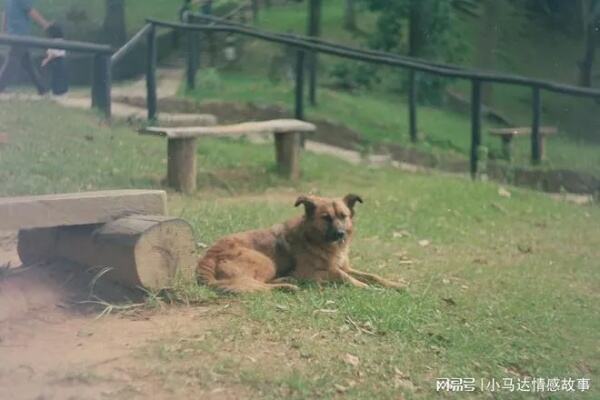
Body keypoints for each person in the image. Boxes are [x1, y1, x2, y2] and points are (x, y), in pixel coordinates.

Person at [0, 0, 51, 94]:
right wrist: (46, 25)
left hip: (13, 34)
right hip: (20, 35)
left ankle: (42, 88)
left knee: (28, 64)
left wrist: (3, 30)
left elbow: (5, 13)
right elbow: (31, 11)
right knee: (12, 62)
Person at [41, 23, 67, 95]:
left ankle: (56, 91)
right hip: (62, 60)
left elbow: (53, 53)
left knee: (54, 77)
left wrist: (46, 60)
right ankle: (62, 91)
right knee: (61, 77)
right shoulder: (62, 40)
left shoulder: (54, 41)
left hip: (55, 61)